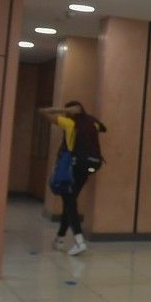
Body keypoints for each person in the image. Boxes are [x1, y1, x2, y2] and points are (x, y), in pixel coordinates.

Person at [39, 100, 106, 256]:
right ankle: (60, 238)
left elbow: (43, 112)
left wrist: (63, 109)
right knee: (70, 200)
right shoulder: (92, 123)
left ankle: (79, 240)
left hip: (72, 167)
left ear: (71, 111)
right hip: (89, 167)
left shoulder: (69, 123)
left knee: (69, 200)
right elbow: (102, 128)